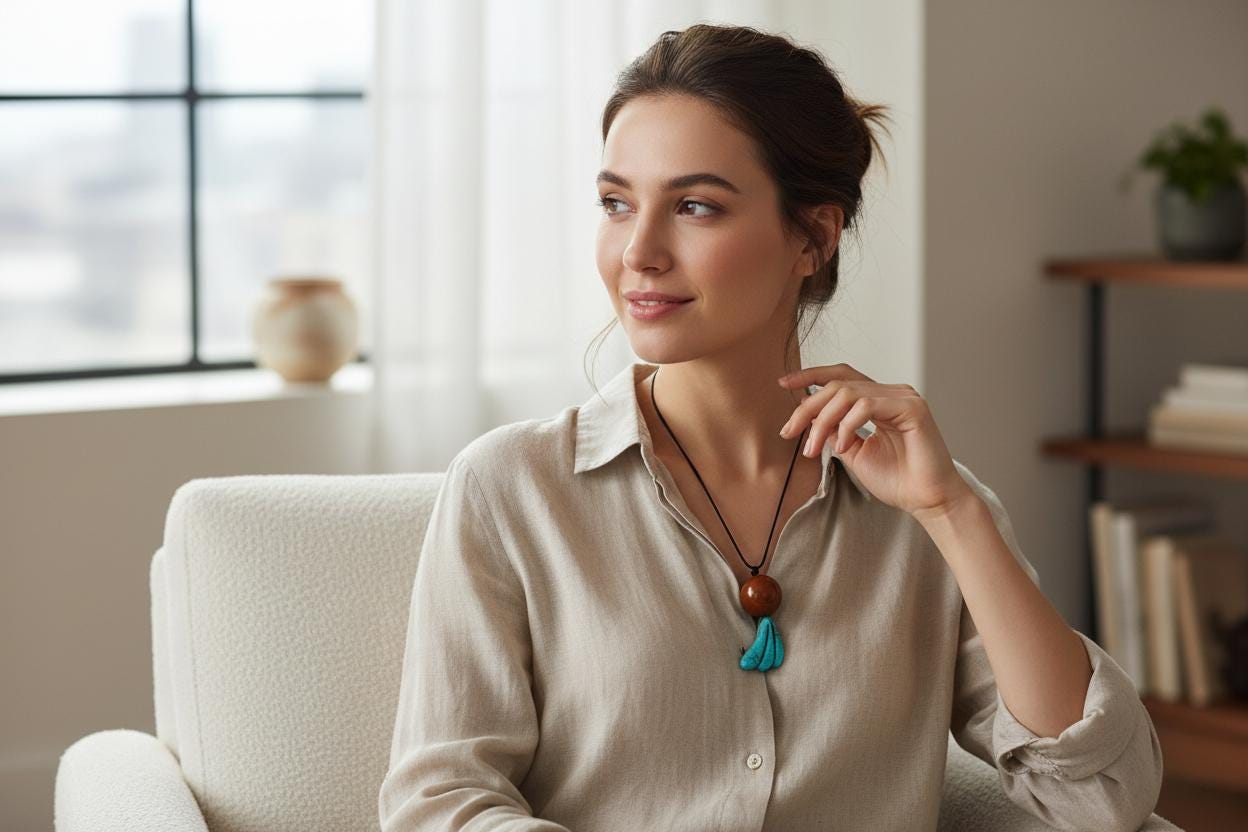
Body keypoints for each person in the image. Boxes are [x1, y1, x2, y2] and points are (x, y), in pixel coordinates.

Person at [379, 22, 1164, 831]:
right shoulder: (512, 489)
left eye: (694, 206)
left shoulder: (920, 507)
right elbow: (439, 804)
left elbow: (1101, 798)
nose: (638, 252)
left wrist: (952, 514)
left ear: (813, 237)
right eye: (616, 203)